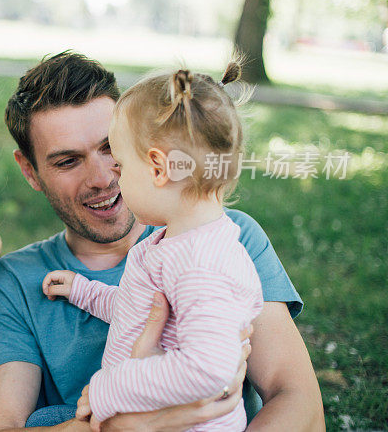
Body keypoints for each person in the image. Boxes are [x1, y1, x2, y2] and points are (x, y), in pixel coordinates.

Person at [0, 52, 324, 431]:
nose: (104, 177)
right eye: (68, 161)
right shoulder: (14, 284)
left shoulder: (230, 242)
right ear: (30, 171)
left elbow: (298, 403)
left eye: (111, 149)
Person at [42, 63, 263, 431]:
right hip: (135, 418)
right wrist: (83, 291)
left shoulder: (201, 263)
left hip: (179, 424)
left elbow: (207, 368)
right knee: (44, 420)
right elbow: (141, 311)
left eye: (122, 166)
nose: (114, 179)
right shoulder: (177, 243)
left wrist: (108, 389)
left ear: (158, 169)